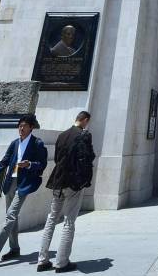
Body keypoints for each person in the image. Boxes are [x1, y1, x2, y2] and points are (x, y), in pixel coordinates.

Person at [0, 114, 48, 268]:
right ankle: (14, 249)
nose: (21, 128)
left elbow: (42, 164)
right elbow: (3, 162)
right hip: (10, 183)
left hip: (24, 184)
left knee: (10, 216)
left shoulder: (37, 143)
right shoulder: (14, 143)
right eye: (19, 125)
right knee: (13, 219)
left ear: (31, 127)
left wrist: (29, 164)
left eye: (24, 126)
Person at [37, 110, 95, 273]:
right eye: (87, 122)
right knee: (69, 222)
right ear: (84, 120)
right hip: (73, 183)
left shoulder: (62, 135)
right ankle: (62, 262)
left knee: (51, 218)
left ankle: (42, 260)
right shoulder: (84, 135)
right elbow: (88, 158)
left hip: (57, 181)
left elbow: (56, 159)